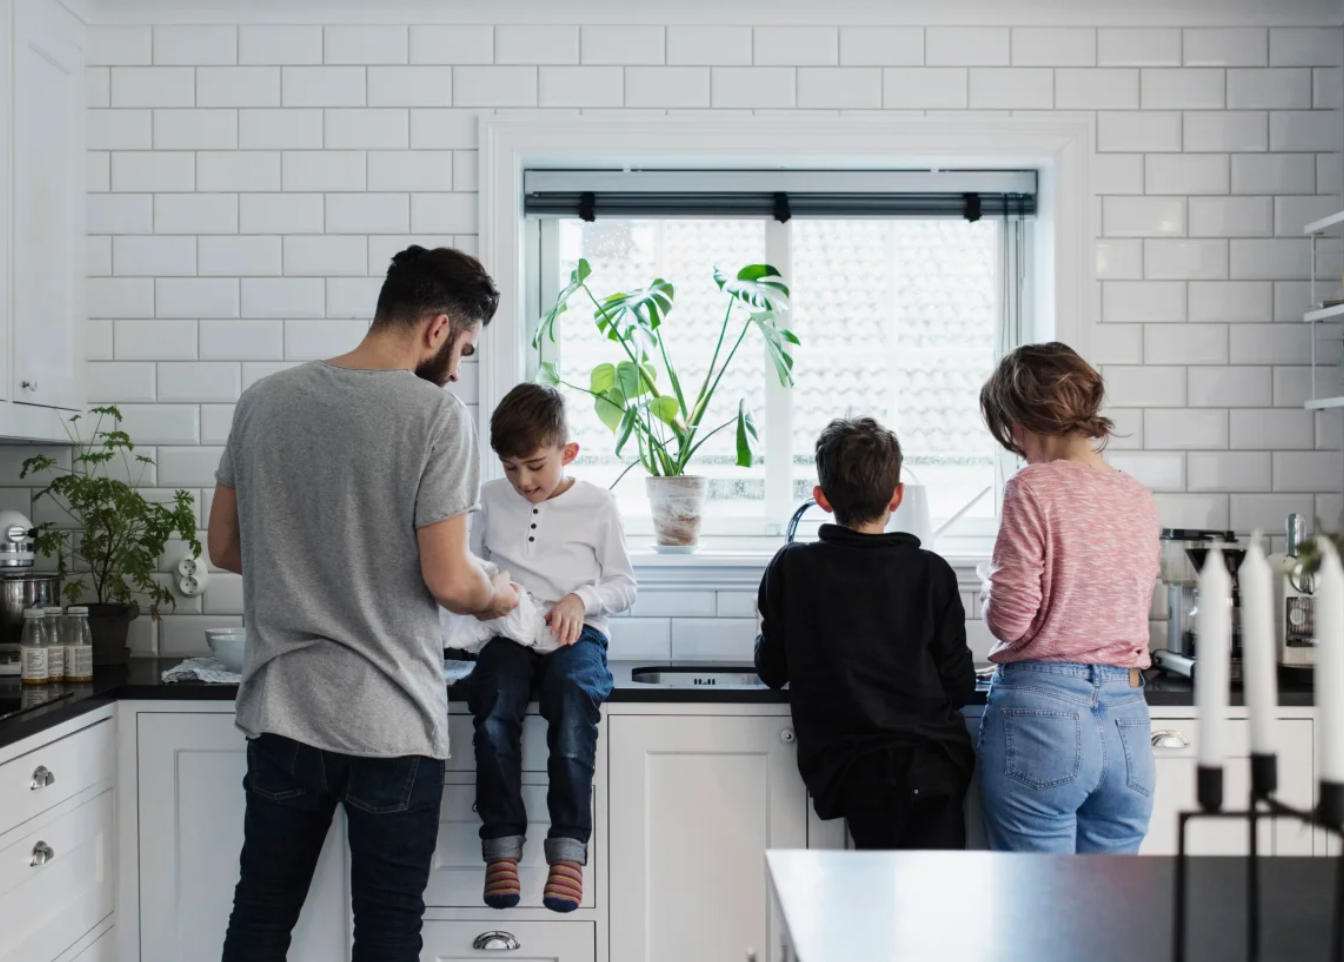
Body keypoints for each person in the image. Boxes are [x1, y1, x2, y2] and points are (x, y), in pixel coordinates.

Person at [209, 245, 520, 962]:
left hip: (283, 711)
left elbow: (225, 548)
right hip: (390, 724)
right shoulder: (435, 416)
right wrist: (496, 593)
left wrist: (308, 554)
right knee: (385, 930)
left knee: (259, 916)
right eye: (466, 349)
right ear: (438, 328)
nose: (459, 367)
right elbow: (449, 579)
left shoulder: (264, 399)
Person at [754, 417, 977, 850]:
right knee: (940, 905)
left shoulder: (793, 568)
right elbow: (961, 686)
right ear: (896, 496)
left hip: (857, 773)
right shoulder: (930, 571)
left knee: (880, 903)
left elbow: (772, 671)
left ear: (821, 498)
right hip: (935, 764)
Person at [977, 342, 1161, 854]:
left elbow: (1010, 622)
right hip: (1127, 717)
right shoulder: (1137, 496)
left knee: (1039, 908)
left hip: (1044, 716)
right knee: (1107, 915)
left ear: (1021, 420)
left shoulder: (1031, 488)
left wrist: (990, 583)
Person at [464, 383, 636, 912]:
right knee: (493, 704)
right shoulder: (491, 499)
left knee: (571, 695)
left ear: (568, 453)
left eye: (535, 466)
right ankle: (502, 848)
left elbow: (624, 586)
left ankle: (567, 849)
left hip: (574, 631)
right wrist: (493, 598)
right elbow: (468, 568)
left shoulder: (598, 505)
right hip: (509, 628)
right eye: (511, 467)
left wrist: (581, 599)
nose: (523, 481)